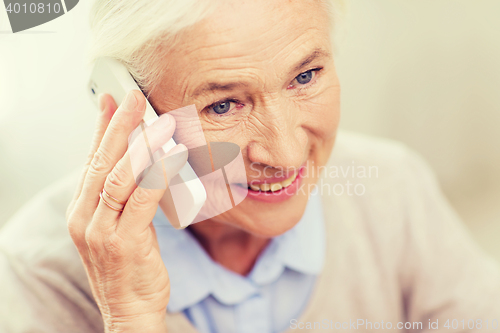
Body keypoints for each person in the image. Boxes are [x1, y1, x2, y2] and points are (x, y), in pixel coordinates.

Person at [1, 0, 500, 332]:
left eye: (306, 75)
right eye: (223, 106)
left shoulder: (392, 190)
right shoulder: (36, 277)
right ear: (132, 111)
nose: (284, 155)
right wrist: (131, 319)